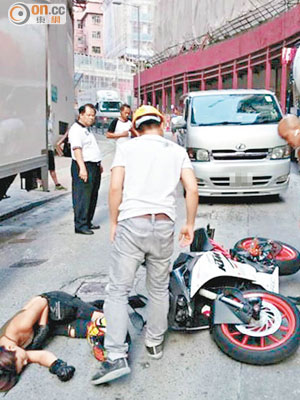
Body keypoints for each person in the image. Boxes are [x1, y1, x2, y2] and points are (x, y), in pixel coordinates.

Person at [91, 105, 199, 385]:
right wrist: (189, 223)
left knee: (117, 290)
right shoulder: (176, 150)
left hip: (132, 223)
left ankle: (115, 355)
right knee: (158, 287)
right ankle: (154, 342)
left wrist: (113, 222)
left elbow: (116, 188)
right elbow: (192, 188)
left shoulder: (127, 148)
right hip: (163, 225)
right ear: (162, 123)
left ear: (136, 128)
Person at [0, 291, 105, 392]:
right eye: (23, 365)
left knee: (99, 317)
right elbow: (39, 356)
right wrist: (57, 366)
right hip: (52, 325)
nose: (26, 362)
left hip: (53, 304)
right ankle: (89, 307)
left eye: (22, 361)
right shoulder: (12, 354)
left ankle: (86, 307)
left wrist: (43, 326)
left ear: (11, 348)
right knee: (87, 330)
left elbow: (42, 301)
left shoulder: (21, 325)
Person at [68, 104, 103, 235]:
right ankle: (80, 225)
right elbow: (77, 149)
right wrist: (82, 169)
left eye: (93, 115)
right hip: (83, 165)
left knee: (92, 194)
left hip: (93, 165)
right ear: (81, 115)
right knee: (82, 196)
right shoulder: (75, 130)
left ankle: (88, 221)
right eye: (88, 115)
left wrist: (99, 164)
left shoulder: (86, 129)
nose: (91, 118)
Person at [37, 109, 67, 191]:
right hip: (43, 148)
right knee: (41, 168)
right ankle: (41, 184)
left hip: (49, 148)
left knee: (52, 167)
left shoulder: (49, 122)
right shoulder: (40, 123)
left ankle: (56, 184)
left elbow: (52, 114)